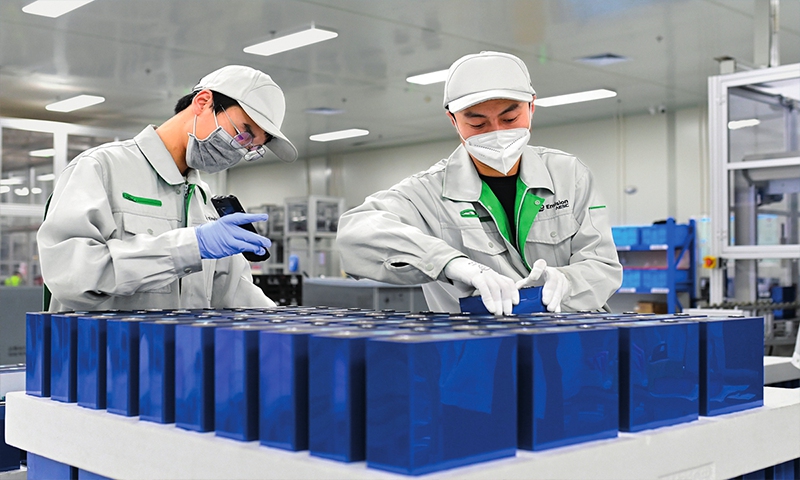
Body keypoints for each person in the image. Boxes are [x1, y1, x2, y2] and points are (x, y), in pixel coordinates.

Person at [337, 51, 622, 315]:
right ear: (453, 120)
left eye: (510, 118)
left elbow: (604, 266)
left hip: (570, 345)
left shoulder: (570, 175)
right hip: (478, 355)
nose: (497, 132)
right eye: (478, 124)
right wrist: (451, 264)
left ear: (532, 107)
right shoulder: (428, 193)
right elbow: (355, 233)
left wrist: (567, 282)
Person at [37, 65, 297, 312]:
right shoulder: (101, 168)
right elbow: (71, 277)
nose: (242, 148)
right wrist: (188, 247)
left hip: (176, 357)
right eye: (244, 133)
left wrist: (287, 327)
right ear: (203, 102)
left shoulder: (204, 201)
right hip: (106, 355)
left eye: (252, 147)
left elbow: (234, 294)